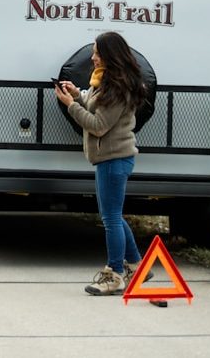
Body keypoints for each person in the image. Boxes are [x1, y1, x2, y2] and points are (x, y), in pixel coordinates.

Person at [54, 31, 147, 295]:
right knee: (113, 215)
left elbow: (98, 125)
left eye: (97, 52)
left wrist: (71, 105)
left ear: (109, 55)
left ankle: (114, 274)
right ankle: (137, 267)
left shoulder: (117, 88)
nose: (93, 57)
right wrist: (77, 95)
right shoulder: (105, 81)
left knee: (111, 219)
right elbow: (95, 106)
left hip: (114, 158)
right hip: (109, 158)